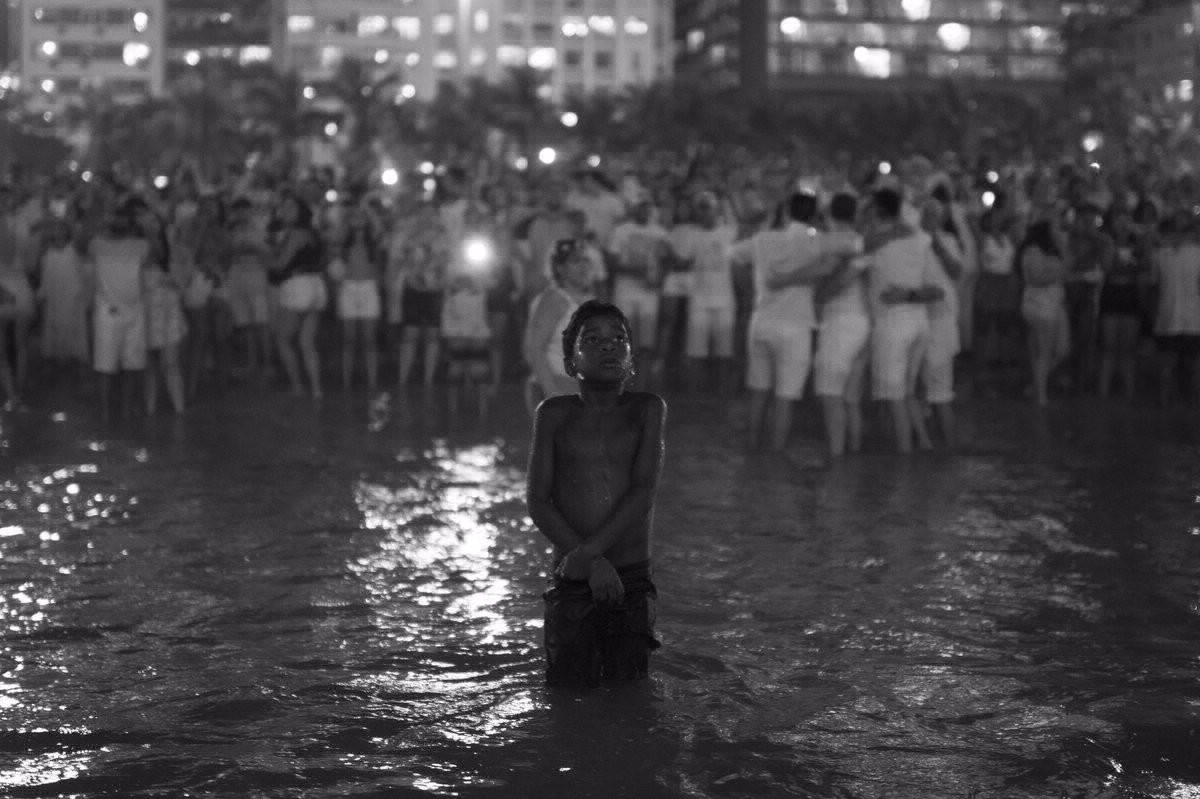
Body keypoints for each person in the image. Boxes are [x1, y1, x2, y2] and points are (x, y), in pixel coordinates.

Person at [526, 299, 666, 686]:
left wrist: (590, 554)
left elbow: (642, 493)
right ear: (571, 363)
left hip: (630, 578)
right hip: (573, 579)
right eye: (592, 339)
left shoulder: (647, 409)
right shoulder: (553, 413)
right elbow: (538, 501)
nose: (608, 346)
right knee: (567, 695)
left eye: (619, 339)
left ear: (631, 359)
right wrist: (591, 563)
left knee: (630, 694)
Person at [732, 190, 839, 451]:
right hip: (796, 327)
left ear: (786, 211)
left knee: (757, 392)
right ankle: (774, 458)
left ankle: (752, 450)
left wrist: (748, 292)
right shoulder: (818, 242)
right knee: (785, 398)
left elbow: (733, 255)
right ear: (814, 214)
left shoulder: (763, 239)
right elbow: (841, 255)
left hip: (762, 322)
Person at [863, 187, 943, 453]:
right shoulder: (921, 239)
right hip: (920, 323)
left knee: (895, 397)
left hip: (892, 325)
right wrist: (910, 294)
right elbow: (937, 290)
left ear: (876, 210)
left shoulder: (874, 242)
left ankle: (904, 458)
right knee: (907, 391)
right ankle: (923, 441)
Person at [813, 192, 869, 459]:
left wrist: (820, 294)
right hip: (863, 322)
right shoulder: (861, 241)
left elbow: (837, 280)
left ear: (829, 214)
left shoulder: (827, 242)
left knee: (830, 394)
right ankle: (854, 455)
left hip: (840, 323)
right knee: (851, 399)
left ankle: (836, 460)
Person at [89, 200, 151, 422]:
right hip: (109, 310)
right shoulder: (98, 244)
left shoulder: (140, 246)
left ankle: (122, 411)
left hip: (134, 310)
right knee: (106, 366)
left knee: (132, 365)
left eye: (122, 218)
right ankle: (107, 413)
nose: (119, 222)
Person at [522, 238, 596, 413]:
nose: (583, 267)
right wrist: (553, 395)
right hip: (556, 385)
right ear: (560, 269)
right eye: (575, 261)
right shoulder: (554, 300)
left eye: (585, 260)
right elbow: (534, 349)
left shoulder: (585, 301)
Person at [270, 193, 326, 399]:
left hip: (297, 286)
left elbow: (280, 264)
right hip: (316, 285)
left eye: (289, 207)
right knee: (307, 342)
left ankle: (297, 384)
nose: (284, 211)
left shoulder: (296, 234)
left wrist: (262, 255)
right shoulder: (312, 233)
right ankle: (317, 388)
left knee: (282, 338)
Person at [1018, 220, 1071, 407]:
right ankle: (1040, 395)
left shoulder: (1055, 250)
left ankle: (1036, 383)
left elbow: (1069, 265)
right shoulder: (1033, 251)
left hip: (1055, 303)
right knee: (1043, 351)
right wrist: (1059, 274)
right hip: (1040, 305)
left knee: (1062, 349)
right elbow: (1034, 278)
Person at [1149, 211, 1200, 406]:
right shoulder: (1162, 255)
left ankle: (1168, 402)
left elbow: (1153, 286)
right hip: (1187, 317)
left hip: (1174, 316)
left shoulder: (1160, 254)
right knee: (1185, 362)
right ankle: (1183, 402)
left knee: (1175, 362)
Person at [333, 200, 384, 393]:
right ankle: (346, 380)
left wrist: (367, 210)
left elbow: (378, 227)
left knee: (369, 338)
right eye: (354, 216)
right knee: (349, 338)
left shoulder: (373, 239)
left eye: (361, 217)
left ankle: (372, 381)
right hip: (348, 286)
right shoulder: (342, 240)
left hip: (368, 287)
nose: (358, 219)